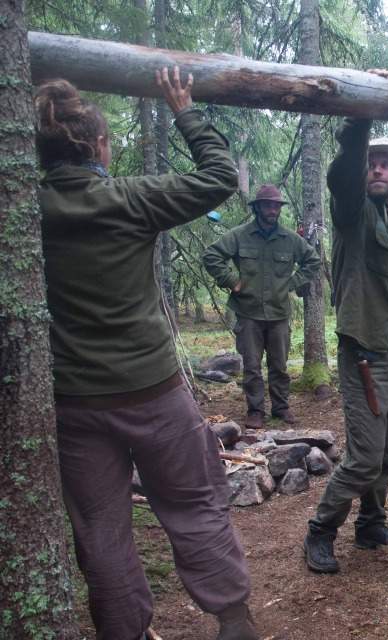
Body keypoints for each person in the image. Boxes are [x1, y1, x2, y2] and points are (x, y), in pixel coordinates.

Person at [37, 69, 257, 640]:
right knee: (194, 501)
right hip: (154, 392)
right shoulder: (129, 198)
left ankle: (123, 632)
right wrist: (184, 109)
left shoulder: (22, 212)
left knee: (100, 530)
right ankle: (233, 620)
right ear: (99, 145)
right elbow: (217, 178)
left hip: (73, 402)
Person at [303, 113, 388, 575]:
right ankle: (320, 531)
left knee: (386, 456)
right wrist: (360, 126)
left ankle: (371, 524)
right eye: (371, 162)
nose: (376, 169)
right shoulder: (352, 214)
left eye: (386, 164)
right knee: (364, 459)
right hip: (364, 356)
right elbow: (340, 177)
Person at [203, 184, 322, 429]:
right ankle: (255, 410)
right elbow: (211, 256)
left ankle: (281, 407)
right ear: (257, 207)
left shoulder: (290, 239)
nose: (272, 209)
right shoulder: (239, 235)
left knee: (279, 365)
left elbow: (312, 261)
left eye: (276, 205)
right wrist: (231, 281)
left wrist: (292, 283)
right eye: (268, 204)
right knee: (252, 366)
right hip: (248, 313)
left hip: (279, 313)